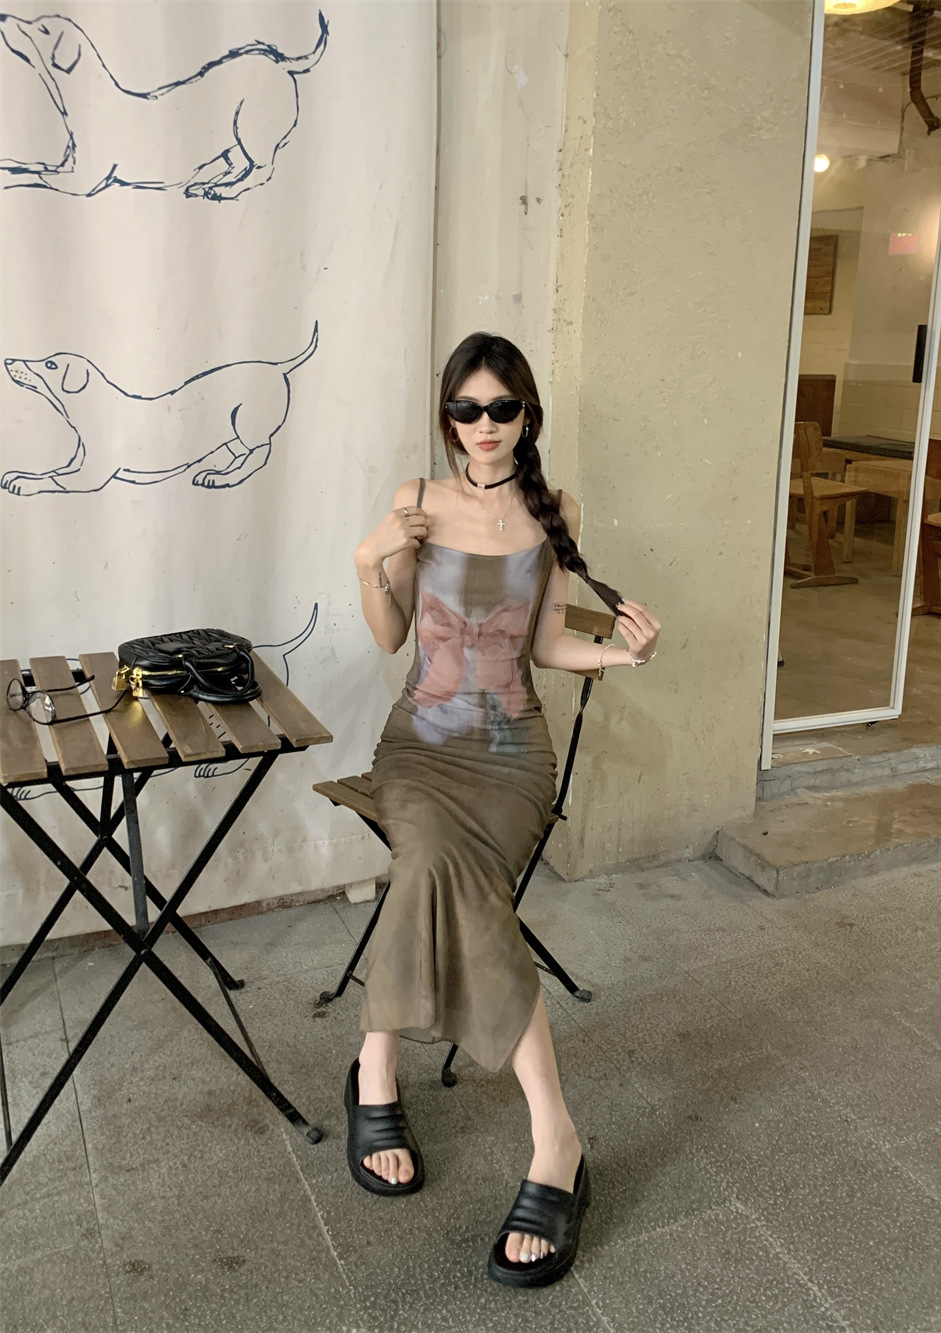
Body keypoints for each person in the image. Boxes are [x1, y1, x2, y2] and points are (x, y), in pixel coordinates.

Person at [347, 331, 661, 1288]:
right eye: (466, 408)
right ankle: (553, 1135)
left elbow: (551, 644)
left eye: (501, 408)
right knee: (440, 863)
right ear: (448, 417)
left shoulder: (556, 509)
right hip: (420, 744)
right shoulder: (417, 501)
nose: (483, 425)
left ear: (527, 415)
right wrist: (369, 559)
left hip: (513, 756)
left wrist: (624, 653)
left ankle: (373, 1068)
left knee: (442, 869)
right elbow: (391, 636)